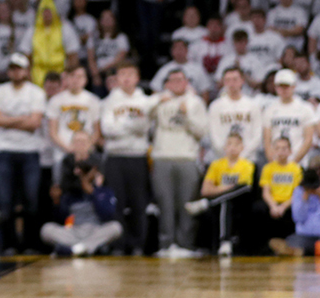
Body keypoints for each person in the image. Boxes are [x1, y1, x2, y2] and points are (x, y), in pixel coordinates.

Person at [0, 53, 46, 251]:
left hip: (30, 151)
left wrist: (8, 120)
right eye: (12, 68)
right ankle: (9, 244)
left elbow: (35, 123)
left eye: (19, 68)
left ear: (27, 71)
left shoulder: (36, 92)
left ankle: (30, 244)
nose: (15, 72)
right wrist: (22, 119)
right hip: (4, 150)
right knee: (5, 200)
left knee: (31, 199)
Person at [100, 60, 155, 254]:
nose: (126, 78)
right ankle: (118, 244)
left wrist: (122, 124)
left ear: (137, 78)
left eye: (130, 74)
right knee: (117, 203)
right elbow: (107, 129)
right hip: (115, 157)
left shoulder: (145, 101)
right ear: (117, 78)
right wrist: (133, 124)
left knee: (139, 203)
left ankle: (138, 244)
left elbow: (145, 127)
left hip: (138, 156)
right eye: (122, 75)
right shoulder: (108, 101)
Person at [151, 70, 207, 257]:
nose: (176, 83)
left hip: (187, 157)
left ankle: (186, 245)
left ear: (186, 82)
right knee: (165, 204)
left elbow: (201, 132)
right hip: (162, 156)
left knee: (187, 204)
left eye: (180, 80)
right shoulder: (158, 100)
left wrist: (186, 115)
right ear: (166, 83)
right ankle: (166, 245)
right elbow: (144, 120)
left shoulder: (195, 102)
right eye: (172, 80)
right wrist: (155, 102)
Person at [190, 133, 256, 256]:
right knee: (226, 202)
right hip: (223, 202)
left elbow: (244, 187)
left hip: (242, 202)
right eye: (229, 144)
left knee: (245, 188)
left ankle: (207, 204)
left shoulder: (247, 164)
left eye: (236, 144)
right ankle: (225, 242)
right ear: (224, 147)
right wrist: (227, 189)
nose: (232, 148)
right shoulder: (216, 165)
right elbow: (205, 190)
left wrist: (218, 188)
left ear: (242, 147)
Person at [42, 156, 122, 256]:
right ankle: (84, 248)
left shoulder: (104, 191)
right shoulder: (71, 192)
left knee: (116, 227)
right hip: (74, 231)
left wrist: (93, 193)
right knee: (46, 229)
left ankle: (75, 249)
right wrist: (57, 201)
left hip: (95, 230)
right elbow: (62, 218)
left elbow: (108, 215)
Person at [271, 161, 320, 257]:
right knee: (292, 242)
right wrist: (305, 197)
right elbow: (298, 218)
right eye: (315, 173)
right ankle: (296, 251)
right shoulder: (299, 190)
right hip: (305, 236)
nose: (318, 177)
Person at [255, 137, 302, 251]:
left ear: (290, 151)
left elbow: (297, 194)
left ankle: (292, 244)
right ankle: (263, 247)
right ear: (274, 151)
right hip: (273, 202)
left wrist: (282, 207)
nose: (281, 152)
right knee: (258, 208)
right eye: (278, 148)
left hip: (288, 203)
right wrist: (274, 206)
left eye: (284, 148)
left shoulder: (296, 168)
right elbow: (265, 192)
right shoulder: (268, 168)